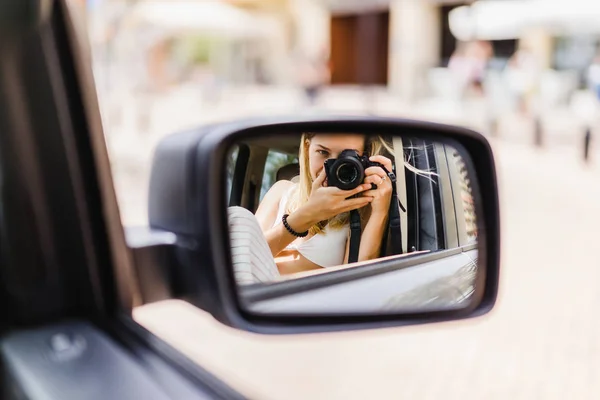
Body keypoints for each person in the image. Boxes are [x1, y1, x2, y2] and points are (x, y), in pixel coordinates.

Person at [228, 133, 395, 285]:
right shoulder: (281, 191)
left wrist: (380, 211)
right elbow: (240, 259)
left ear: (363, 159)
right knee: (238, 216)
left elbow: (356, 283)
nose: (332, 166)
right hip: (252, 293)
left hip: (306, 306)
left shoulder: (359, 208)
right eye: (323, 153)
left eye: (347, 157)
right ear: (307, 148)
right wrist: (308, 215)